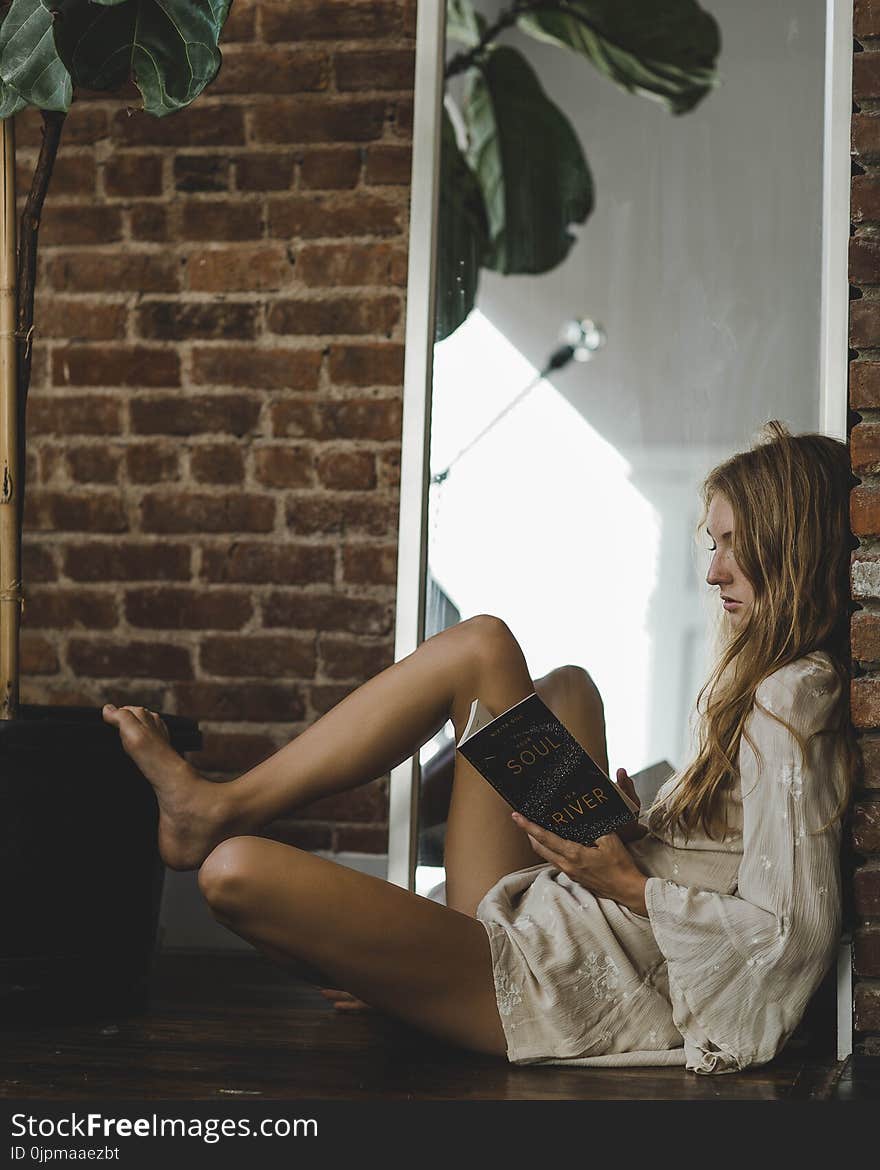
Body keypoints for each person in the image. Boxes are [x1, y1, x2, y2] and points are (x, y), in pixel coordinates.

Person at [101, 420, 858, 1075]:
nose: (712, 570)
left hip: (565, 981)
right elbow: (735, 860)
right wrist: (643, 830)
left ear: (788, 549)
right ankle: (228, 816)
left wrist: (629, 880)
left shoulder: (792, 699)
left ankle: (233, 830)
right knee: (552, 682)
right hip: (567, 920)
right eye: (713, 543)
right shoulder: (770, 688)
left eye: (734, 545)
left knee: (233, 871)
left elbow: (792, 940)